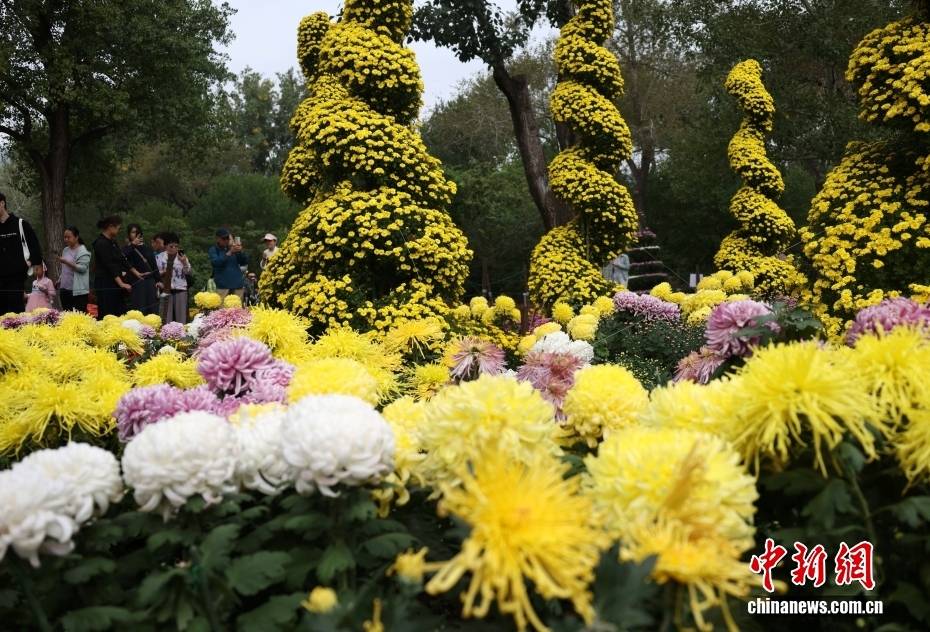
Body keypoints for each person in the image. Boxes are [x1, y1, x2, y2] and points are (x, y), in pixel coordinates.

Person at [0, 190, 43, 315]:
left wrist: (28, 263)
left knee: (15, 313)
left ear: (2, 203)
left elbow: (35, 247)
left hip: (16, 278)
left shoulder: (20, 224)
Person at [92, 216, 134, 319]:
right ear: (111, 227)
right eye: (118, 228)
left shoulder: (113, 242)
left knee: (120, 311)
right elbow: (110, 265)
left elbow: (121, 259)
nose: (119, 231)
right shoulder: (100, 243)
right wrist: (122, 283)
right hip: (105, 283)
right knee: (108, 313)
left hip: (115, 282)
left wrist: (135, 272)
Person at [156, 232, 193, 324]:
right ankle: (166, 335)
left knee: (181, 319)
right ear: (165, 246)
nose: (174, 249)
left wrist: (184, 262)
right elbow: (155, 274)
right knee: (166, 318)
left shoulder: (181, 257)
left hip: (180, 289)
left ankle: (182, 336)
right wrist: (163, 272)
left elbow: (188, 272)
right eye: (171, 246)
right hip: (166, 290)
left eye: (176, 246)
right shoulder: (159, 257)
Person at [123, 223, 158, 314]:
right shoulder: (127, 248)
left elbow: (154, 266)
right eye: (133, 232)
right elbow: (121, 258)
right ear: (129, 235)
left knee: (152, 310)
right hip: (136, 282)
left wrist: (158, 281)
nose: (135, 234)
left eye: (137, 232)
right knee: (139, 309)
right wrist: (132, 245)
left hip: (150, 282)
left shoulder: (148, 248)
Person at [57, 226, 91, 312]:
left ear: (76, 237)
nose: (66, 239)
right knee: (67, 315)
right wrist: (60, 279)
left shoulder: (83, 252)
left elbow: (82, 269)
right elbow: (65, 269)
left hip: (77, 291)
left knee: (79, 316)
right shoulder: (65, 250)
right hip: (64, 289)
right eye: (65, 237)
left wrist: (66, 262)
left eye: (69, 237)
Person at [209, 228, 248, 300]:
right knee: (222, 309)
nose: (226, 240)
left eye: (228, 238)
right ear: (218, 239)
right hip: (222, 286)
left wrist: (240, 251)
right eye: (224, 238)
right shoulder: (214, 249)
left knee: (237, 309)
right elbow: (216, 263)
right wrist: (229, 253)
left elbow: (244, 262)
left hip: (237, 284)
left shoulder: (234, 249)